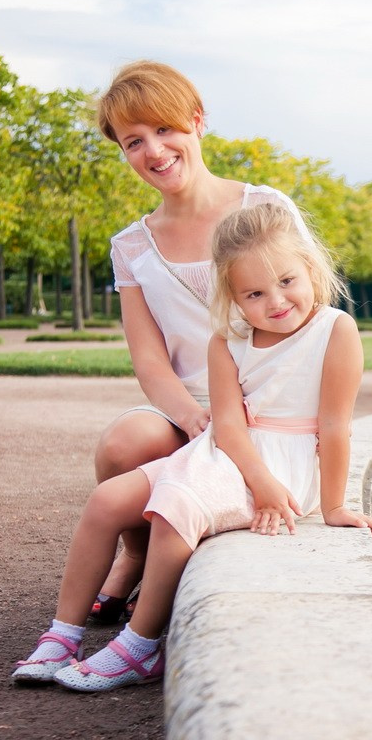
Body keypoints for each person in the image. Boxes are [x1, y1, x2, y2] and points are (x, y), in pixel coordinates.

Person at [13, 200, 372, 692]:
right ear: (232, 295)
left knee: (173, 507)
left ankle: (140, 645)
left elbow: (335, 426)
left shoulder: (334, 329)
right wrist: (258, 479)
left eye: (287, 282)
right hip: (228, 454)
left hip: (288, 467)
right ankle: (63, 635)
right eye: (254, 292)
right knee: (105, 502)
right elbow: (227, 428)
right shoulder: (227, 341)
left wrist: (332, 505)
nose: (275, 301)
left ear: (310, 269)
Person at [88, 60, 309, 624]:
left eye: (165, 130)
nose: (154, 151)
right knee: (122, 444)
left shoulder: (265, 208)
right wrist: (190, 416)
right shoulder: (131, 246)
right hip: (189, 402)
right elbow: (149, 358)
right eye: (133, 142)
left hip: (263, 397)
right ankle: (134, 556)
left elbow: (307, 314)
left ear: (197, 122)